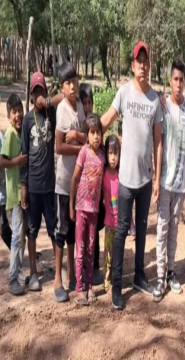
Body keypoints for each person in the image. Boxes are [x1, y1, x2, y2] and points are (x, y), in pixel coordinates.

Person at [101, 41, 163, 310]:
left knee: (140, 233)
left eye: (146, 61)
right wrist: (85, 132)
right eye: (139, 61)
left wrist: (158, 177)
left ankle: (139, 276)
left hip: (146, 180)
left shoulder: (155, 100)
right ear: (132, 65)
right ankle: (117, 286)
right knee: (121, 231)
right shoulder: (124, 93)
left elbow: (158, 142)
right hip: (125, 181)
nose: (143, 65)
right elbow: (106, 121)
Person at [153, 60, 185, 303]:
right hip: (165, 181)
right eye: (175, 79)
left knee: (174, 229)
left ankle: (170, 272)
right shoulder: (164, 105)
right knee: (162, 227)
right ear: (170, 81)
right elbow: (157, 142)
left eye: (182, 80)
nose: (179, 84)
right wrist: (156, 179)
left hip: (180, 181)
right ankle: (159, 277)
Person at [20, 72, 64, 291]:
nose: (39, 95)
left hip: (50, 186)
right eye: (35, 90)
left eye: (42, 90)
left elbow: (63, 98)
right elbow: (24, 155)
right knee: (31, 230)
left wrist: (49, 100)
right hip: (33, 186)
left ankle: (58, 274)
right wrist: (24, 187)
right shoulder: (28, 120)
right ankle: (34, 273)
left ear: (46, 92)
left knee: (55, 230)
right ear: (31, 94)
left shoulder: (51, 114)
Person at [53, 62, 87, 303]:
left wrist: (78, 137)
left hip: (80, 181)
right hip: (64, 182)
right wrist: (79, 148)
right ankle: (57, 278)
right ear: (62, 88)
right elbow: (58, 146)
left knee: (75, 231)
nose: (73, 87)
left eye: (74, 81)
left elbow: (85, 132)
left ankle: (73, 276)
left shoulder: (79, 109)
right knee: (61, 230)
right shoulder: (62, 110)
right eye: (68, 83)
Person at [70, 114, 105, 305]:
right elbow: (74, 179)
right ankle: (79, 289)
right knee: (80, 248)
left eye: (98, 132)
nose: (96, 137)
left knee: (91, 248)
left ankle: (90, 287)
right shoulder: (83, 152)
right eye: (92, 133)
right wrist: (71, 206)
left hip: (94, 211)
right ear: (87, 135)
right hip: (81, 209)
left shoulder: (103, 155)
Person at [0, 94, 28, 295]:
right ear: (9, 116)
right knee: (17, 236)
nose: (18, 115)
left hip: (22, 193)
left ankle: (17, 273)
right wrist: (16, 161)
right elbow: (1, 162)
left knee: (22, 235)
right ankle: (12, 279)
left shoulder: (21, 132)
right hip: (14, 194)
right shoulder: (10, 134)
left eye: (20, 110)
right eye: (14, 112)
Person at [79, 83, 103, 285]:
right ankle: (82, 269)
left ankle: (94, 266)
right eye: (84, 102)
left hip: (96, 194)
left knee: (94, 233)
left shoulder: (95, 127)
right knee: (82, 232)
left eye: (90, 103)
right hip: (82, 193)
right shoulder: (81, 126)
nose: (87, 107)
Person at [102, 135, 120, 293]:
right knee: (108, 252)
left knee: (117, 252)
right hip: (108, 222)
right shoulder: (103, 175)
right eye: (110, 153)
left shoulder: (122, 176)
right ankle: (107, 278)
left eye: (116, 154)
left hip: (119, 223)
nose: (113, 158)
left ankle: (117, 276)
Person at [0, 130, 12, 250]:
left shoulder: (1, 137)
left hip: (1, 194)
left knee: (3, 228)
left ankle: (17, 249)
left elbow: (3, 162)